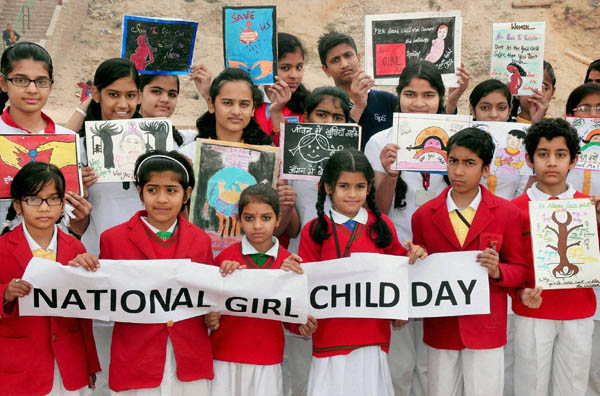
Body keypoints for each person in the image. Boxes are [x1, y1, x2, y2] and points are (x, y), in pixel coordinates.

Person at [70, 150, 214, 395]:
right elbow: (103, 296)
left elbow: (208, 296)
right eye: (152, 189)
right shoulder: (113, 239)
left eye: (171, 190)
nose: (161, 199)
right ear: (139, 191)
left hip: (188, 356)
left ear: (187, 194)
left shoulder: (200, 239)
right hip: (137, 357)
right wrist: (81, 271)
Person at [297, 149, 427, 396]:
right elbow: (302, 285)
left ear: (369, 189)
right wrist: (301, 322)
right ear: (328, 187)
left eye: (359, 186)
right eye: (344, 186)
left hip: (372, 337)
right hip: (329, 338)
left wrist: (417, 255)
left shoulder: (381, 226)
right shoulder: (314, 230)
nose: (352, 193)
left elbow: (399, 272)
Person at [411, 127, 528, 396]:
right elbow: (419, 268)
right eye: (453, 161)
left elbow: (520, 270)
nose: (459, 171)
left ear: (486, 169)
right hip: (442, 326)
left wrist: (498, 270)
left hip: (486, 325)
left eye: (469, 163)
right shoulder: (424, 216)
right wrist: (416, 258)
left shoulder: (507, 213)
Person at [365, 60, 450, 396]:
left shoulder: (455, 136)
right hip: (396, 256)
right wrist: (389, 173)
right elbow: (378, 210)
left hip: (442, 260)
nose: (419, 102)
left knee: (434, 359)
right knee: (399, 360)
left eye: (428, 95)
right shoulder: (379, 142)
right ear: (398, 96)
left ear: (441, 98)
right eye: (410, 94)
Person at [511, 118, 600, 396]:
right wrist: (519, 292)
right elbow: (510, 262)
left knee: (573, 385)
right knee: (530, 384)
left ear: (574, 161)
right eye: (543, 154)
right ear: (529, 159)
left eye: (560, 155)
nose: (551, 163)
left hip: (579, 310)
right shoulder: (514, 210)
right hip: (533, 310)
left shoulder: (590, 206)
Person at [204, 183, 317, 396]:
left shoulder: (289, 264)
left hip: (268, 359)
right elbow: (208, 310)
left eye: (265, 218)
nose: (257, 225)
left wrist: (302, 326)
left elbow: (291, 317)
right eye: (249, 218)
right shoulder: (225, 260)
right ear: (239, 221)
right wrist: (211, 317)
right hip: (224, 356)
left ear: (278, 220)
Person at [0, 162, 100, 395]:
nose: (44, 207)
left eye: (52, 199)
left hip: (69, 364)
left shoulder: (75, 247)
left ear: (62, 203)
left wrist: (90, 363)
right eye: (34, 199)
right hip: (18, 365)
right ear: (17, 205)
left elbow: (83, 315)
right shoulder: (3, 248)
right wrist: (5, 292)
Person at [284, 85, 352, 395]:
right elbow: (293, 228)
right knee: (302, 357)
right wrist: (285, 202)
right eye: (321, 114)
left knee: (341, 359)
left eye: (338, 117)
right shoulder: (293, 161)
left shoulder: (354, 160)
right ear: (307, 118)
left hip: (345, 272)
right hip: (303, 265)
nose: (330, 122)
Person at [192, 68, 299, 247]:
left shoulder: (268, 158)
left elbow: (285, 230)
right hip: (205, 261)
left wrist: (286, 206)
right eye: (227, 103)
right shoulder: (192, 155)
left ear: (252, 109)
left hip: (251, 262)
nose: (236, 111)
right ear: (211, 104)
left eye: (244, 104)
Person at [317, 32, 469, 150]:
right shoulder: (321, 105)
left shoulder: (387, 100)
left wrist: (452, 102)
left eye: (348, 55)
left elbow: (429, 127)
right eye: (335, 60)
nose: (344, 64)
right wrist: (358, 107)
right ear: (325, 70)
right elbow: (327, 146)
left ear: (358, 57)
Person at [0, 42, 91, 237]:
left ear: (51, 85)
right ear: (3, 82)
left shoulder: (69, 141)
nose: (32, 89)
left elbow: (74, 224)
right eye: (21, 80)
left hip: (51, 254)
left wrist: (77, 197)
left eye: (41, 81)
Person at [469, 79, 529, 199]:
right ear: (472, 110)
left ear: (509, 110)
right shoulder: (462, 143)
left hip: (510, 212)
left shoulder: (520, 144)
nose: (493, 114)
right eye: (485, 108)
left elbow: (523, 186)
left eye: (501, 108)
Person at [138, 74, 197, 147]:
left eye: (172, 94)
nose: (165, 99)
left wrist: (206, 94)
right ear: (138, 95)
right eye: (156, 91)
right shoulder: (127, 139)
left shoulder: (188, 140)